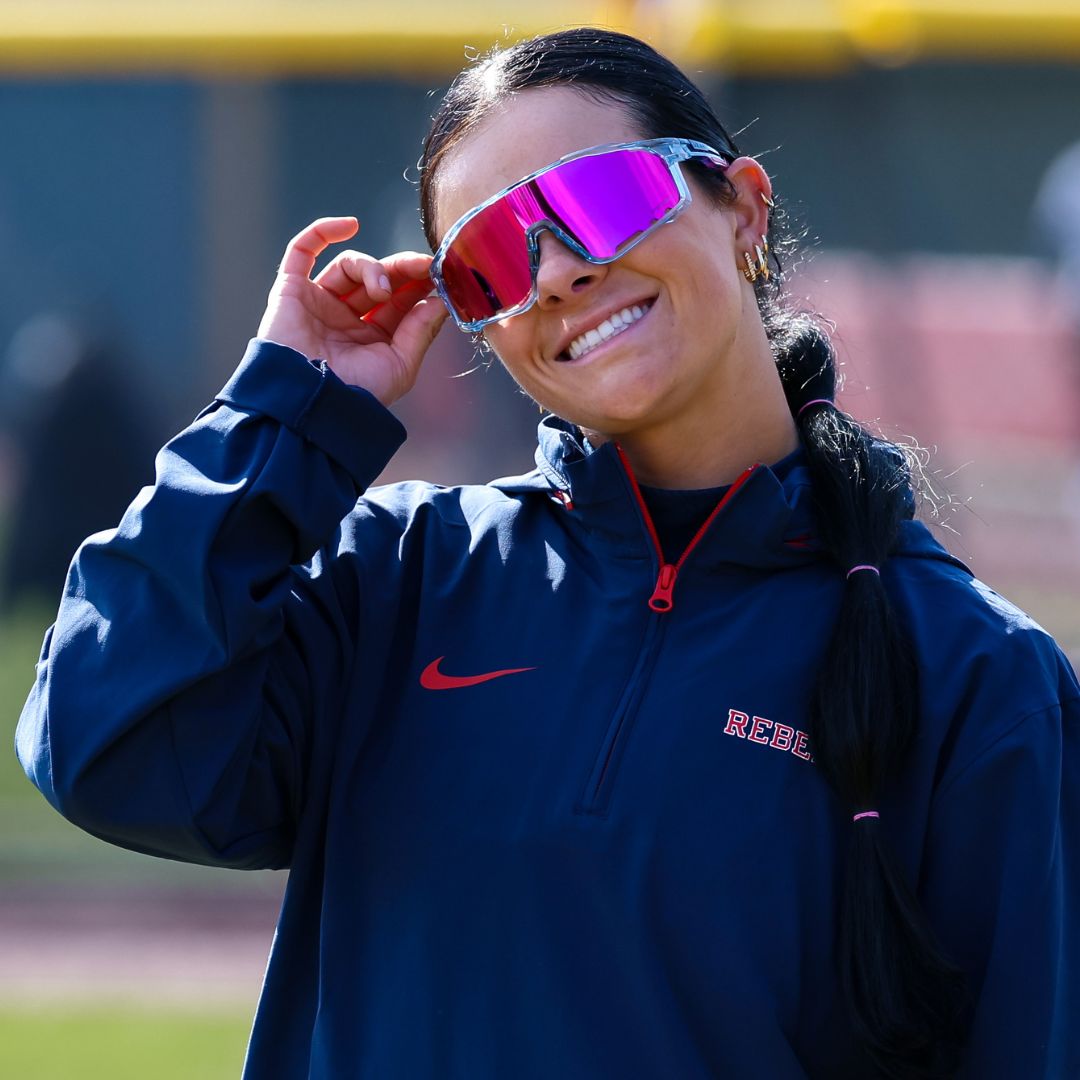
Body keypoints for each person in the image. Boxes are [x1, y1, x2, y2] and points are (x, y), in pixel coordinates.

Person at [14, 27, 1078, 1080]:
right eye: (488, 261)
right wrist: (287, 411)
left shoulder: (977, 678)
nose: (558, 272)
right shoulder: (404, 579)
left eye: (602, 199)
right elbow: (106, 742)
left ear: (744, 208)